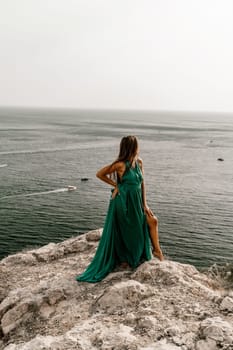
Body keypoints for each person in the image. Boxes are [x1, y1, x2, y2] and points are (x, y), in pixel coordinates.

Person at [76, 135, 163, 283]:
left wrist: (145, 204)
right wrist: (116, 185)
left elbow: (142, 184)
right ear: (132, 147)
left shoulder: (139, 162)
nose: (138, 147)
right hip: (122, 201)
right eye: (136, 145)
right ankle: (128, 258)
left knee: (150, 221)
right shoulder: (120, 164)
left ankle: (155, 251)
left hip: (136, 201)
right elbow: (100, 174)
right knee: (129, 230)